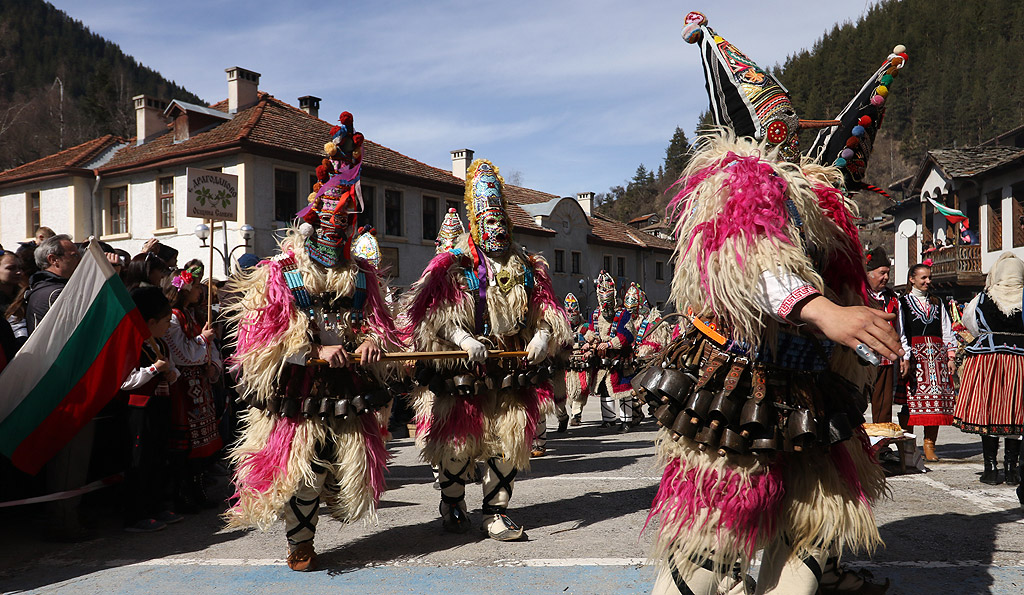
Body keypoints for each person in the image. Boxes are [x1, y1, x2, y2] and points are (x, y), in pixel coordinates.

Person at [639, 12, 905, 594]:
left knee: (811, 537)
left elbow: (837, 284)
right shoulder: (736, 183)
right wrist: (824, 313)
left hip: (809, 390)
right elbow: (751, 267)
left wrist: (853, 349)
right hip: (738, 384)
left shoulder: (821, 208)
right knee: (711, 550)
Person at [225, 110, 402, 572]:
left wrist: (371, 341)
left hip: (349, 388)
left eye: (347, 225)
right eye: (331, 223)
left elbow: (378, 324)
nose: (337, 231)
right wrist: (311, 349)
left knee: (341, 468)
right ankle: (300, 540)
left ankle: (327, 512)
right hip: (297, 390)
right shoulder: (278, 275)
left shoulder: (363, 277)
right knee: (301, 469)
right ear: (313, 221)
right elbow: (258, 342)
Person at [401, 158, 571, 541]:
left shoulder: (528, 265)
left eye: (499, 218)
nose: (494, 226)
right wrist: (462, 338)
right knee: (458, 448)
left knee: (507, 444)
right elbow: (432, 316)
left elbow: (547, 310)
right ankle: (453, 502)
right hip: (465, 371)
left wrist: (543, 336)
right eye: (487, 219)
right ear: (476, 221)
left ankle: (495, 511)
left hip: (512, 369)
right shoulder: (454, 265)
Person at [954, 254, 1024, 485]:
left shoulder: (981, 299)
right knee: (1016, 411)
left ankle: (991, 469)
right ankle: (1012, 470)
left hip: (988, 361)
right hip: (1020, 362)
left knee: (991, 410)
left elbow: (971, 325)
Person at [119, 286, 184, 532]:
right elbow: (126, 380)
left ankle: (157, 505)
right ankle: (136, 514)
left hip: (160, 406)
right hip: (139, 411)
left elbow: (173, 370)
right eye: (166, 321)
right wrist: (154, 370)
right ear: (151, 321)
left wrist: (170, 373)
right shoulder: (134, 344)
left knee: (159, 456)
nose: (169, 326)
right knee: (140, 460)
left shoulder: (160, 344)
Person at [161, 270, 223, 512]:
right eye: (197, 287)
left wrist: (214, 368)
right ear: (184, 289)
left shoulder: (192, 314)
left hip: (199, 385)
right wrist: (203, 340)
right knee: (185, 444)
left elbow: (211, 352)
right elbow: (181, 354)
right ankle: (181, 494)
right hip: (184, 388)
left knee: (201, 444)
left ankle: (197, 490)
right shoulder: (174, 318)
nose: (201, 291)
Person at [898, 263, 956, 462]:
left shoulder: (937, 302)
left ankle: (929, 445)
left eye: (929, 277)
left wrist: (950, 357)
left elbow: (946, 329)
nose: (928, 281)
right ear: (912, 279)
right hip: (915, 357)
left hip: (937, 357)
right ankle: (908, 446)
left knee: (936, 403)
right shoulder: (903, 302)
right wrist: (904, 356)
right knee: (910, 402)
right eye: (923, 278)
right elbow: (901, 330)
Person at [585, 271, 636, 432]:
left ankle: (626, 421)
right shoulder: (594, 314)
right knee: (604, 389)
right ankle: (608, 419)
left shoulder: (623, 314)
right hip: (602, 359)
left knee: (623, 390)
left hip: (619, 357)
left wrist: (610, 344)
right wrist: (590, 341)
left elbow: (627, 334)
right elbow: (591, 330)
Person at [866, 247, 900, 424]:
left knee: (884, 401)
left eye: (888, 273)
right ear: (869, 273)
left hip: (885, 356)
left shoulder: (892, 297)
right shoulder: (858, 294)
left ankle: (883, 443)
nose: (886, 277)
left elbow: (898, 328)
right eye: (882, 273)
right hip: (860, 356)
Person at [25, 234, 81, 334]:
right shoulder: (57, 293)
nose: (80, 260)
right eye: (75, 256)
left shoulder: (41, 288)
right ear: (54, 259)